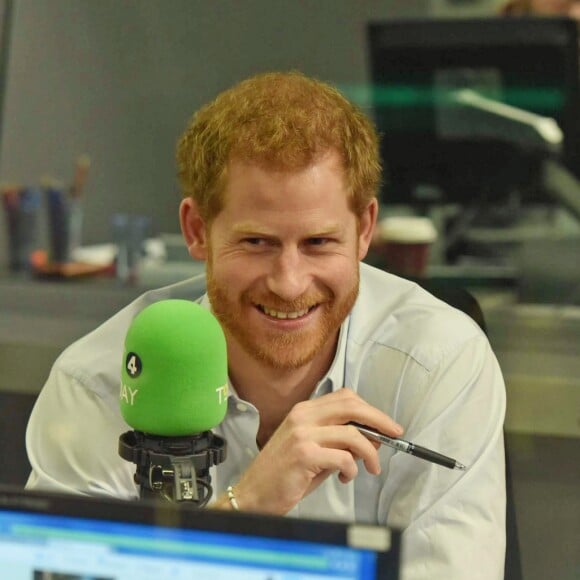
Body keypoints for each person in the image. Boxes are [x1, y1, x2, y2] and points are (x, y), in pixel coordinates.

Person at [26, 71, 506, 579]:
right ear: (197, 231)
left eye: (319, 242)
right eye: (257, 243)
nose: (290, 283)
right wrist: (244, 509)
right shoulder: (103, 383)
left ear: (365, 230)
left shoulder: (436, 364)